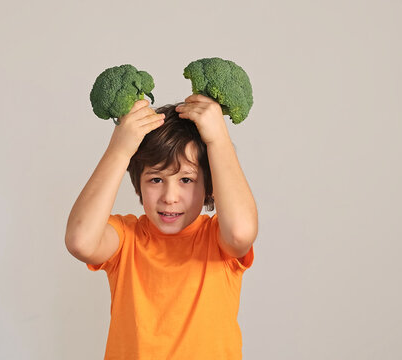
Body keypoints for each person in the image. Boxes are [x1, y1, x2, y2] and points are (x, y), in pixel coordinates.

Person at [65, 94, 258, 359]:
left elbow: (241, 232)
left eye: (186, 180)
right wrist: (120, 150)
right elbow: (80, 241)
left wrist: (218, 140)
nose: (170, 196)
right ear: (139, 186)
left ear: (210, 188)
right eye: (156, 179)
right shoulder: (125, 239)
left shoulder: (217, 240)